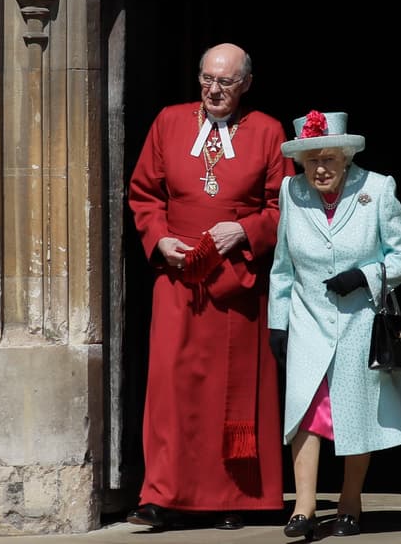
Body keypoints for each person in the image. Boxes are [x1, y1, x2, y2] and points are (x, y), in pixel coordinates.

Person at [126, 43, 294, 530]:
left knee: (232, 393)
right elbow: (144, 193)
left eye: (226, 82)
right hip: (179, 280)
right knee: (171, 391)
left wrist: (245, 230)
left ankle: (236, 499)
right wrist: (159, 241)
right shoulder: (169, 121)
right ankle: (163, 496)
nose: (214, 90)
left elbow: (284, 208)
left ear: (246, 84)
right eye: (207, 79)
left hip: (237, 283)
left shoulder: (267, 131)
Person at [268, 110, 401, 538]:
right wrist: (276, 322)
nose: (320, 168)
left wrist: (366, 275)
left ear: (346, 159)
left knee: (353, 414)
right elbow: (282, 267)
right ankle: (304, 508)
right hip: (307, 319)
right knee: (305, 410)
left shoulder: (378, 189)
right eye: (312, 159)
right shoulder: (290, 192)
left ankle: (351, 503)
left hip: (360, 322)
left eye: (329, 159)